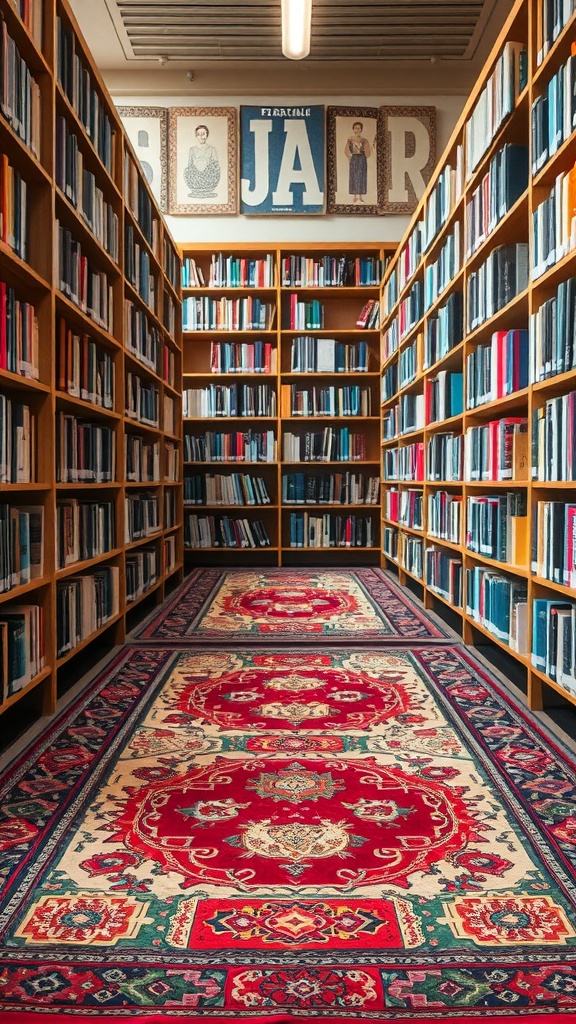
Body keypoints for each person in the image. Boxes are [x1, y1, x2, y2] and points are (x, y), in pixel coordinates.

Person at [184, 124, 221, 199]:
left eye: (203, 134)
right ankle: (197, 190)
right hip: (196, 176)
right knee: (187, 171)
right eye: (198, 134)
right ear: (196, 136)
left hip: (208, 175)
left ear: (207, 135)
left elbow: (215, 163)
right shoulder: (192, 149)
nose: (201, 136)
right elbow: (190, 164)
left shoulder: (211, 149)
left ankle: (207, 189)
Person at [344, 121, 372, 204]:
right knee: (354, 176)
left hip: (362, 159)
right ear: (353, 129)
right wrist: (351, 158)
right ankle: (354, 196)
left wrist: (368, 150)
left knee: (361, 176)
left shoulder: (364, 140)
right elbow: (346, 151)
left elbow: (368, 153)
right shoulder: (350, 140)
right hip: (354, 159)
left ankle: (360, 196)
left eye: (359, 128)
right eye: (356, 128)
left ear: (361, 129)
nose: (358, 129)